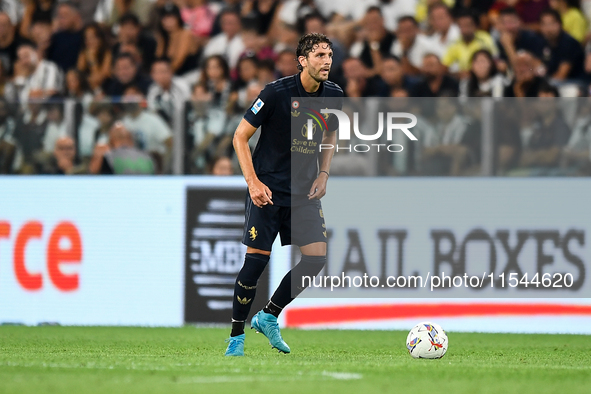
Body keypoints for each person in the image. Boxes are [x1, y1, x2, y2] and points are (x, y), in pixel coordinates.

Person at [224, 33, 343, 357]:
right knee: (255, 265)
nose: (327, 60)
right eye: (319, 55)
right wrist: (253, 183)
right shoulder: (275, 93)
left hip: (304, 191)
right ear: (302, 60)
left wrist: (323, 172)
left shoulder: (333, 94)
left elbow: (331, 132)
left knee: (316, 258)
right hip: (268, 192)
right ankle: (236, 337)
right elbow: (240, 136)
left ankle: (269, 315)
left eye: (329, 54)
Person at [538, 8, 585, 82]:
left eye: (551, 24)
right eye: (544, 24)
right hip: (554, 83)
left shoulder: (569, 43)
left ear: (560, 24)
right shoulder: (543, 43)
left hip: (576, 84)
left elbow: (561, 76)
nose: (548, 29)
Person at [147, 58, 191, 127]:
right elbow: (152, 111)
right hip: (163, 126)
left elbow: (186, 109)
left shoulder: (182, 86)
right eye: (157, 72)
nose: (161, 76)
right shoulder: (153, 90)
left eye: (163, 71)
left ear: (171, 71)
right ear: (152, 75)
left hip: (183, 123)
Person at [46, 1, 83, 73]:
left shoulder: (83, 37)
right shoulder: (56, 37)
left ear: (76, 16)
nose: (61, 20)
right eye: (60, 16)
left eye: (65, 15)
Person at [77, 23, 112, 91]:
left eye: (92, 37)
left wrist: (92, 59)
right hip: (87, 92)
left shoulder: (107, 54)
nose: (89, 41)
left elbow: (99, 79)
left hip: (105, 91)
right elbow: (79, 76)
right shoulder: (83, 53)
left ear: (100, 39)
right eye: (86, 38)